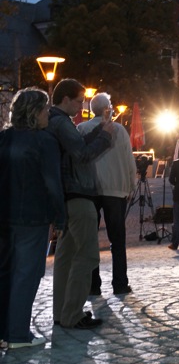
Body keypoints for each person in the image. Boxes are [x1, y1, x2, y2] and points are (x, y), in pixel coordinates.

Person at [46, 79, 114, 329]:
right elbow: (83, 154)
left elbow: (79, 146)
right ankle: (72, 314)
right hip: (78, 195)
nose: (81, 106)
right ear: (65, 99)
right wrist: (106, 137)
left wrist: (101, 128)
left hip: (67, 198)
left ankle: (61, 313)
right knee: (86, 256)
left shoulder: (56, 122)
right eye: (78, 100)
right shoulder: (62, 123)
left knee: (65, 257)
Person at [0, 88, 65, 349]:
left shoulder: (3, 138)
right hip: (32, 217)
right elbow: (52, 183)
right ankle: (17, 335)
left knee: (5, 273)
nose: (48, 112)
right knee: (27, 275)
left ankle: (5, 332)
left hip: (4, 217)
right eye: (46, 108)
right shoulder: (44, 141)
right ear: (35, 112)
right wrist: (59, 218)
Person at [77, 92, 136, 295]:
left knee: (90, 240)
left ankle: (94, 286)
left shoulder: (82, 129)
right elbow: (130, 161)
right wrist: (131, 185)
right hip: (116, 190)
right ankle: (120, 284)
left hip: (90, 190)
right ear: (106, 109)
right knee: (117, 240)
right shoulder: (119, 130)